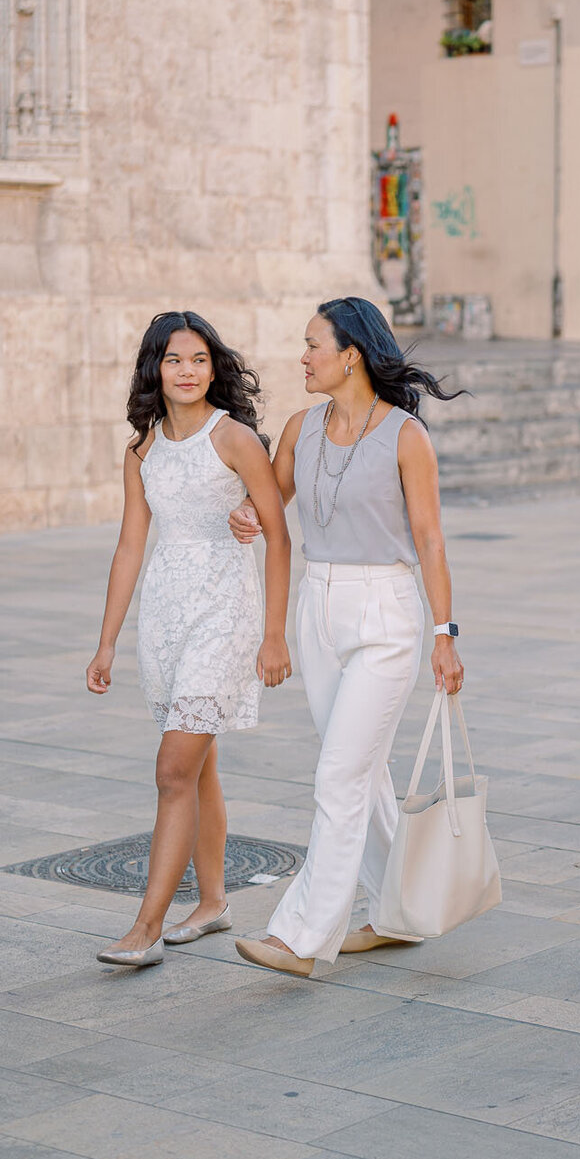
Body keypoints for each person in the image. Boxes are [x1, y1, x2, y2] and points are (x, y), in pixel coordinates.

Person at [228, 296, 465, 978]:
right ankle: (401, 910)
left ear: (350, 353)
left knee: (338, 774)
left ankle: (300, 933)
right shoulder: (300, 427)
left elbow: (429, 538)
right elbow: (270, 504)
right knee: (360, 772)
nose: (302, 357)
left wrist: (444, 633)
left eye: (312, 345)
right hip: (318, 607)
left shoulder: (406, 436)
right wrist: (247, 513)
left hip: (385, 611)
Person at [86, 312, 292, 968]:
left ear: (214, 367)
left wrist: (274, 636)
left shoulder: (232, 439)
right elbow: (129, 544)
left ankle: (145, 927)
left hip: (225, 616)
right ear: (156, 367)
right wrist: (107, 641)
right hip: (166, 618)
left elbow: (279, 533)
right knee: (197, 767)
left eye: (200, 359)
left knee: (172, 768)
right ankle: (212, 902)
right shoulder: (142, 449)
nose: (188, 370)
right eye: (175, 359)